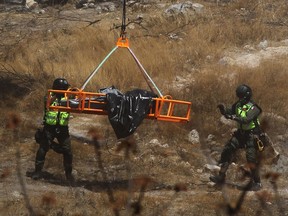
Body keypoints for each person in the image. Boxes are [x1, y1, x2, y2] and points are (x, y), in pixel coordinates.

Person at [210, 84, 263, 191]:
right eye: (238, 97)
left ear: (247, 96)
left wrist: (233, 117)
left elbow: (247, 120)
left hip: (252, 135)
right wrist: (223, 110)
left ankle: (257, 183)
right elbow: (229, 112)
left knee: (251, 158)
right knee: (227, 151)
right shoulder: (238, 104)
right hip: (240, 134)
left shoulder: (254, 108)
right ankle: (221, 176)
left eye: (241, 97)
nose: (239, 99)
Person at [32, 78, 74, 182]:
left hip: (63, 128)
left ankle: (68, 174)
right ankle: (37, 171)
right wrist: (56, 96)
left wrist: (73, 93)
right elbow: (48, 104)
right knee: (43, 149)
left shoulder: (68, 98)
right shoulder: (49, 97)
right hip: (49, 128)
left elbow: (76, 99)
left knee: (67, 151)